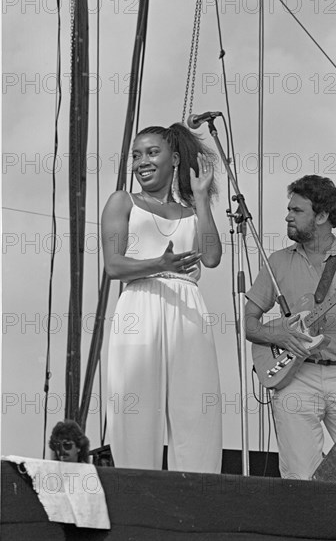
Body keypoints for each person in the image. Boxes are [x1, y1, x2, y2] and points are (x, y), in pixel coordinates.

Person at [101, 122, 223, 473]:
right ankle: (137, 495)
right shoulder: (123, 201)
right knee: (136, 407)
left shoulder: (189, 211)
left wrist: (201, 198)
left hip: (187, 310)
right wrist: (160, 263)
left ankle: (198, 497)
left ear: (174, 159)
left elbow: (212, 257)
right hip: (139, 305)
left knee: (195, 406)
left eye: (152, 152)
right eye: (136, 155)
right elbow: (113, 265)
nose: (142, 161)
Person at [245, 175, 336, 480]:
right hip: (295, 377)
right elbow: (248, 323)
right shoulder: (277, 261)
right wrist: (280, 335)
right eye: (289, 209)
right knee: (300, 479)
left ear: (323, 216)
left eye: (297, 210)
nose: (288, 215)